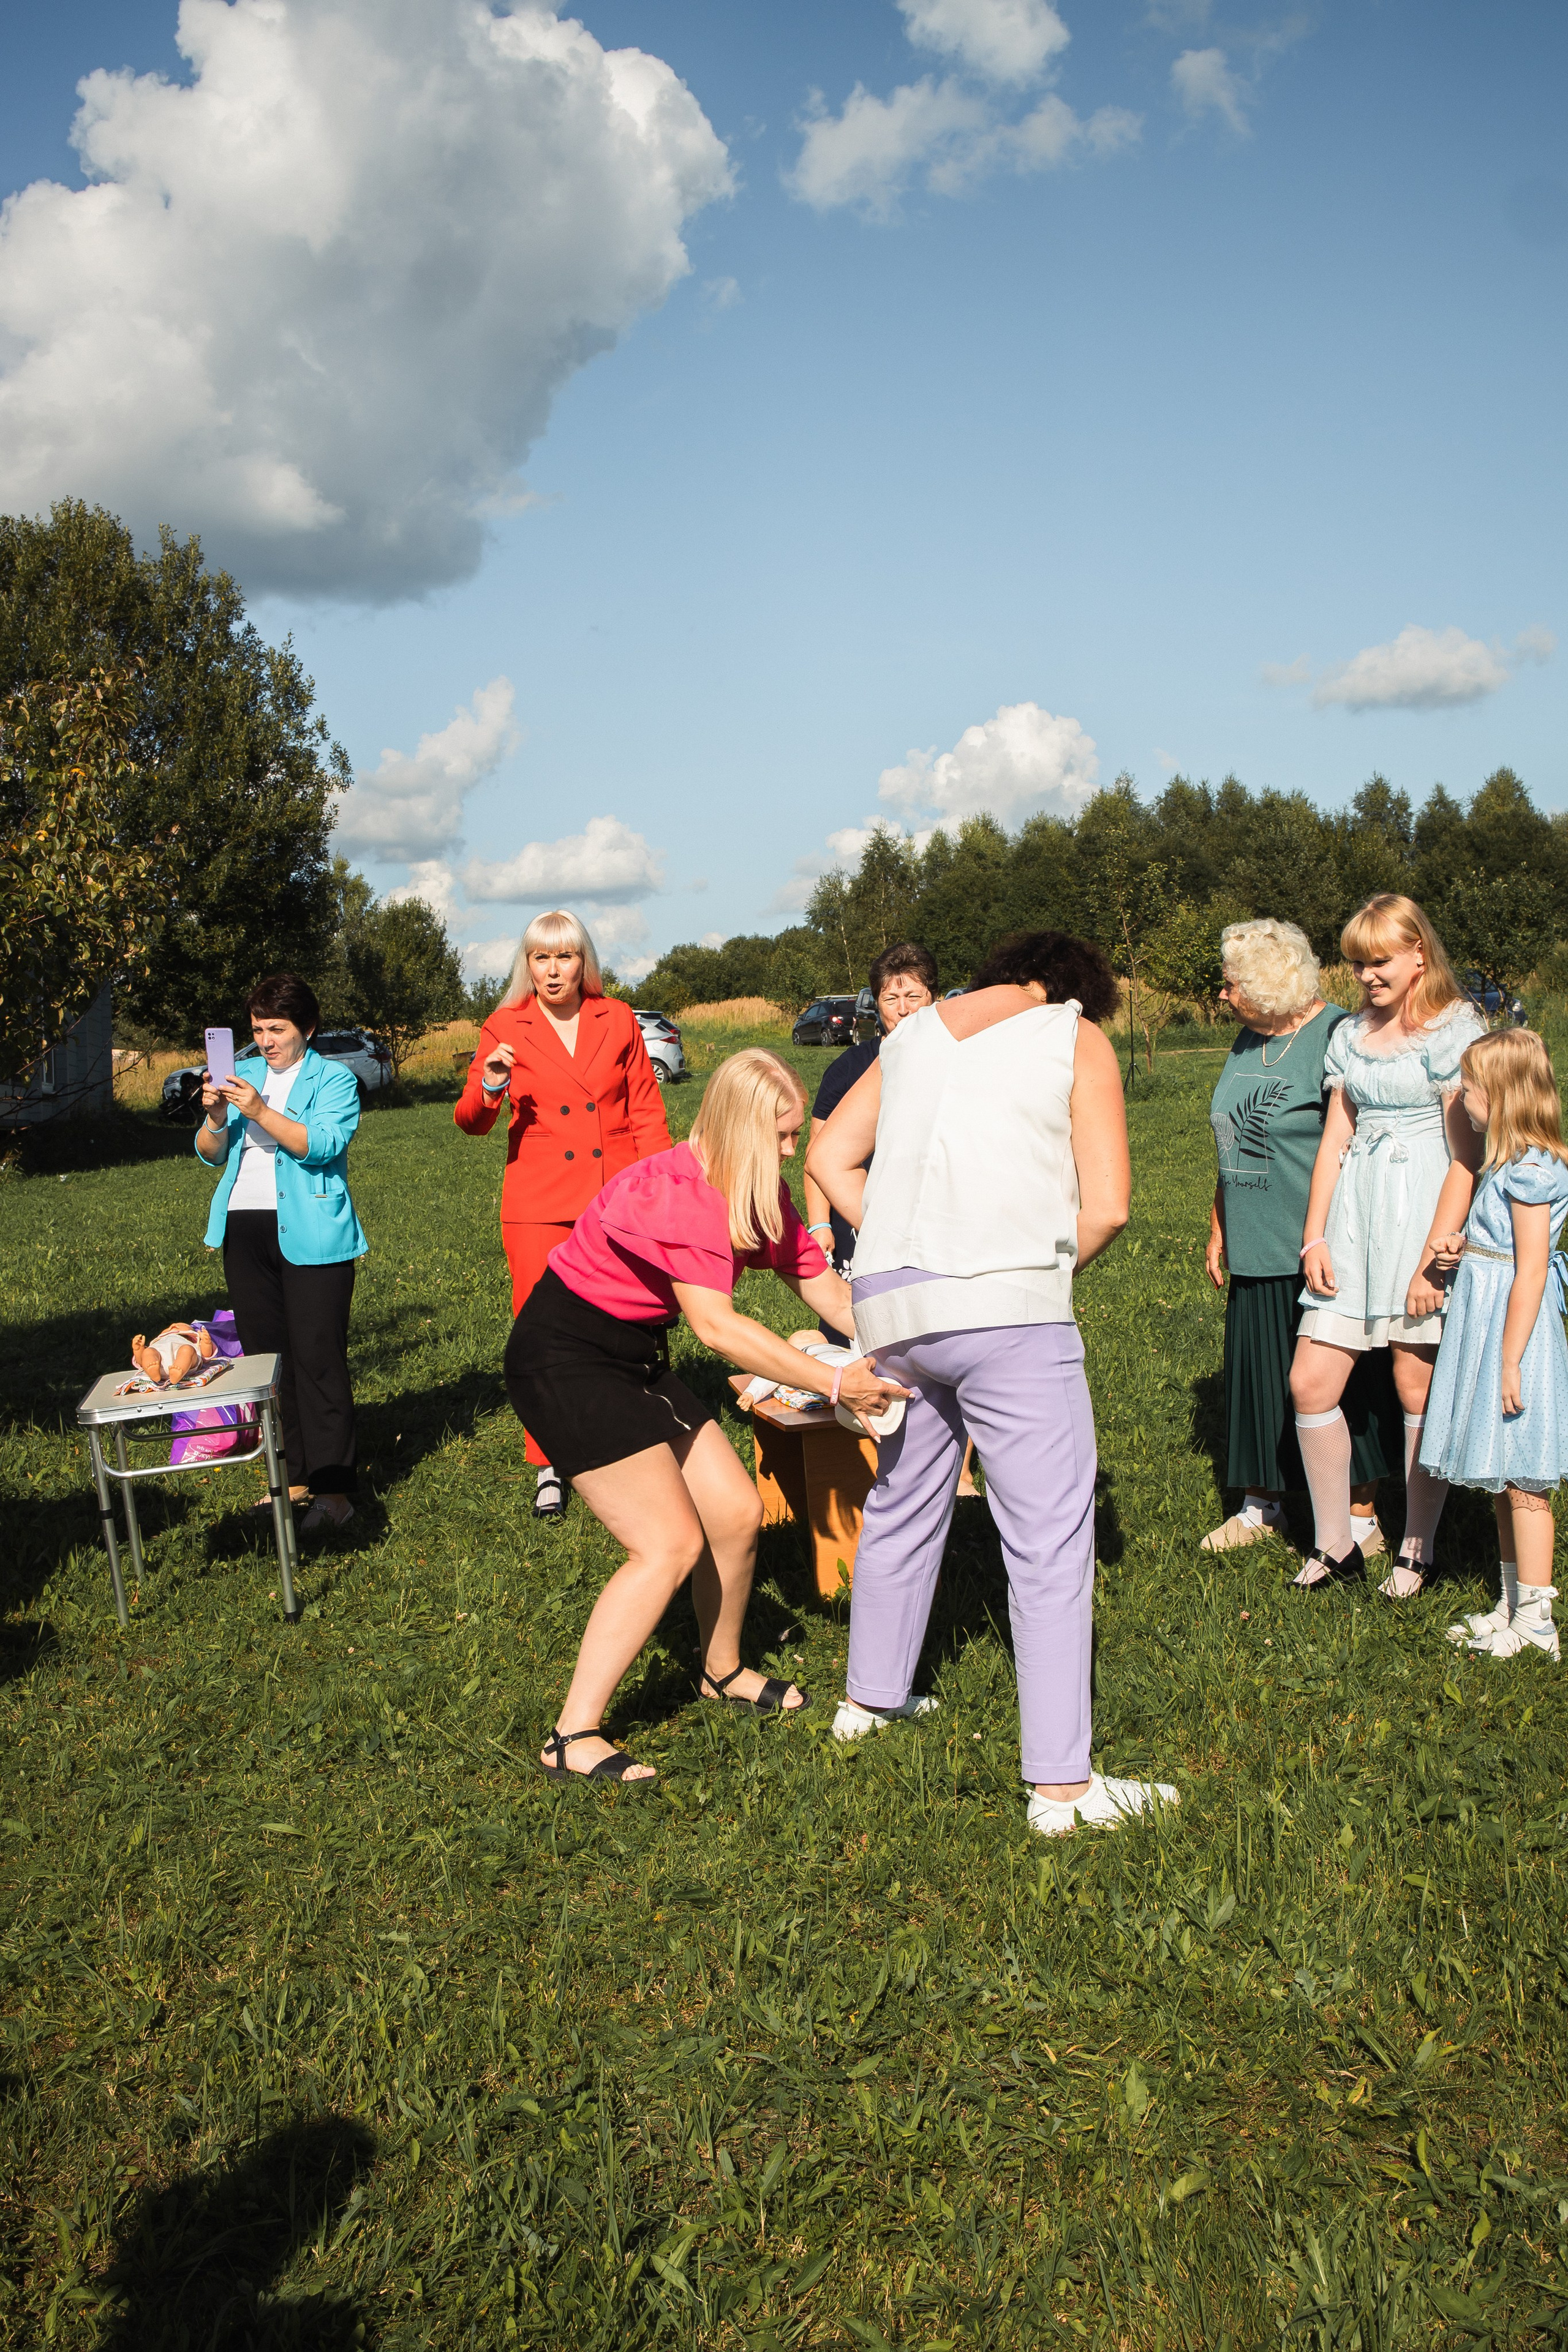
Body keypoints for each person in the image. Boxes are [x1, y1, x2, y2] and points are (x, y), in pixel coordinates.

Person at [806, 929, 1179, 1839]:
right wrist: (1034, 1273)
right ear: (1071, 989)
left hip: (891, 1303)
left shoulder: (913, 1035)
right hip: (1007, 1303)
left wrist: (903, 1240)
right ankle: (1062, 1788)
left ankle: (869, 1701)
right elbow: (1112, 1204)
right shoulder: (1073, 1033)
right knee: (1050, 1537)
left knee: (902, 1499)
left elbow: (825, 1161)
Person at [503, 1050, 908, 1784]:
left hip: (632, 1357)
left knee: (734, 1512)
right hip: (564, 1358)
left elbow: (829, 1295)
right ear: (741, 1127)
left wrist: (903, 1347)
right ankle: (571, 1735)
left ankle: (719, 1671)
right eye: (782, 1137)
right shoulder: (677, 1192)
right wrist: (833, 1379)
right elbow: (717, 1330)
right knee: (665, 1545)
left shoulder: (755, 1189)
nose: (793, 1152)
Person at [1289, 895, 1485, 1597]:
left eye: (1379, 961)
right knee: (1309, 1381)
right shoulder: (1349, 1035)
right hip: (1354, 1216)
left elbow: (1465, 1156)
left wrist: (1435, 1256)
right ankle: (1335, 1542)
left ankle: (1416, 1544)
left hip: (1421, 1213)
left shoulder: (1453, 1030)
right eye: (1357, 963)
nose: (1367, 976)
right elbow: (1334, 1140)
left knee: (1414, 1380)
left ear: (1417, 956)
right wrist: (1314, 1234)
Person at [454, 910, 669, 1519]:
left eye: (565, 956)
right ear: (527, 965)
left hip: (615, 1196)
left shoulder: (619, 1017)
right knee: (540, 1332)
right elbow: (471, 1121)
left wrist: (658, 1189)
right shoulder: (503, 1025)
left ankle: (629, 1439)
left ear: (584, 963)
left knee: (625, 1323)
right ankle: (550, 1460)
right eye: (541, 958)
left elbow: (646, 1113)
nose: (553, 970)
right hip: (539, 1203)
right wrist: (492, 1084)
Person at [1202, 919, 1395, 1555]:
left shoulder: (1338, 1036)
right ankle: (1265, 1505)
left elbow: (1361, 1143)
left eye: (1232, 984)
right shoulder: (1246, 1038)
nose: (1222, 994)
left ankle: (1361, 1515)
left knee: (1342, 1380)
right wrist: (1218, 1222)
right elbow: (1230, 1136)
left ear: (1268, 984)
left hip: (1319, 1245)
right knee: (1258, 1373)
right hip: (1254, 1239)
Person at [195, 973, 366, 1535]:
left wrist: (262, 1111)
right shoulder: (239, 1076)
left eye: (277, 1029)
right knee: (270, 1364)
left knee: (319, 1361)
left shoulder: (334, 1080)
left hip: (314, 1233)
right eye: (256, 1030)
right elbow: (208, 1153)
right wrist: (218, 1119)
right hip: (245, 1232)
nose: (266, 1041)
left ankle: (335, 1492)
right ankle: (291, 1481)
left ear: (307, 1029)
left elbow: (321, 1146)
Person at [1423, 1030, 1568, 1662]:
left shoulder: (1532, 1171)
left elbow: (1531, 1268)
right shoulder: (1505, 1163)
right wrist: (1466, 1250)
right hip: (1490, 1318)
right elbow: (1504, 1250)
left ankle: (1538, 1619)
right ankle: (1510, 1604)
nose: (1462, 1096)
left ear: (1503, 1096)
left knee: (1525, 1478)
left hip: (1518, 1334)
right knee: (1504, 1472)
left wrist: (1510, 1358)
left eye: (1470, 1086)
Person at [802, 941, 940, 1321]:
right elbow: (817, 1155)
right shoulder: (848, 1069)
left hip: (933, 1215)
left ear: (934, 998)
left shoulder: (958, 1064)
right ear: (876, 1003)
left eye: (913, 995)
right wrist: (820, 1224)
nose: (903, 1008)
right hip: (859, 1217)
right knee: (857, 1318)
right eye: (890, 997)